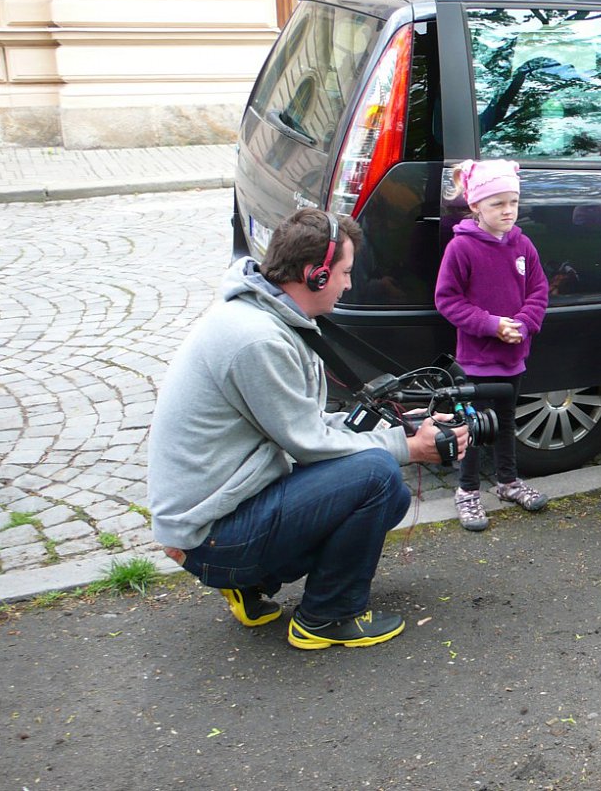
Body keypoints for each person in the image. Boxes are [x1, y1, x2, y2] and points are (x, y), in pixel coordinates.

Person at [148, 209, 470, 650]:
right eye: (345, 273)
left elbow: (308, 426)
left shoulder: (264, 315)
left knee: (390, 493)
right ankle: (326, 616)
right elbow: (310, 444)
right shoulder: (257, 340)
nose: (349, 284)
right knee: (376, 473)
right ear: (315, 275)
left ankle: (252, 583)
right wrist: (409, 447)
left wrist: (406, 426)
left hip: (226, 511)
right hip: (210, 535)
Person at [435, 159, 551, 531]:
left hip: (513, 356)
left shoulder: (523, 244)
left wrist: (524, 324)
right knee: (471, 426)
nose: (507, 211)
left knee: (505, 422)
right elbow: (448, 300)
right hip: (476, 361)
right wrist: (490, 325)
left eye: (512, 202)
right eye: (497, 203)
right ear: (475, 207)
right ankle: (466, 491)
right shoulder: (461, 249)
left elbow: (539, 291)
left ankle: (508, 482)